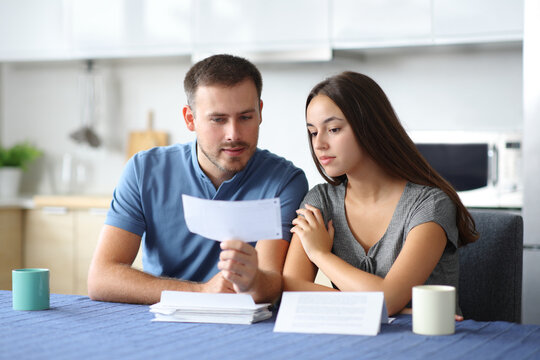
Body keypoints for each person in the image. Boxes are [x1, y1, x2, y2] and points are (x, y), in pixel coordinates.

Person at [88, 54, 308, 304]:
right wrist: (201, 292)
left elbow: (272, 282)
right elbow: (101, 278)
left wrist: (252, 279)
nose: (233, 134)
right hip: (160, 323)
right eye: (218, 119)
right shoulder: (144, 170)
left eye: (245, 117)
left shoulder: (284, 181)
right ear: (190, 119)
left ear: (260, 112)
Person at [282, 71, 478, 316]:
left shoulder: (430, 204)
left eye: (333, 129)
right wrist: (393, 308)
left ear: (369, 126)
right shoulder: (320, 200)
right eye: (313, 132)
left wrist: (319, 254)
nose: (319, 143)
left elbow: (387, 301)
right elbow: (290, 292)